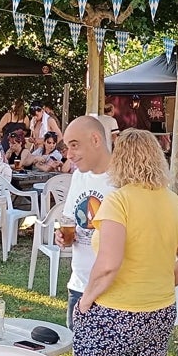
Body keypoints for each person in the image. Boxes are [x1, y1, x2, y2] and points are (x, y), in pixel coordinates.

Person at [71, 129, 178, 356]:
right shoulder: (173, 201)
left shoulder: (118, 201)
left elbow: (109, 263)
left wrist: (86, 300)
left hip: (113, 312)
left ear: (119, 160)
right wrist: (162, 281)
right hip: (159, 311)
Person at [59, 115, 115, 326]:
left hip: (111, 290)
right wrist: (63, 237)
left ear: (95, 139)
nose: (69, 154)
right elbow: (71, 220)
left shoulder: (122, 180)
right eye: (67, 147)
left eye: (74, 146)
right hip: (79, 285)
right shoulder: (78, 177)